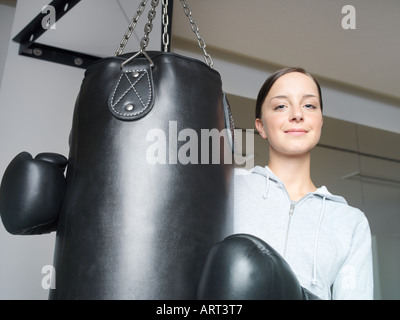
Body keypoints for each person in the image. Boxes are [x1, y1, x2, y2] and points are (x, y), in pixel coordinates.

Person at [231, 67, 374, 300]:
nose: (297, 114)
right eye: (281, 106)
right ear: (261, 126)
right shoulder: (229, 188)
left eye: (309, 106)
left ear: (320, 121)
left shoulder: (350, 222)